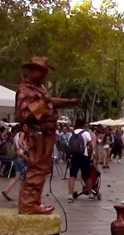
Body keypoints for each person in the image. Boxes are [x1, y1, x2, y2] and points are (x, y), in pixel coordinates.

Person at [16, 57, 77, 214]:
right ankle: (29, 204)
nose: (44, 75)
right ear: (30, 71)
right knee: (36, 169)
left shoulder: (39, 89)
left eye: (45, 72)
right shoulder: (25, 90)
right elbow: (24, 115)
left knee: (41, 170)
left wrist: (67, 101)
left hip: (45, 136)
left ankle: (33, 202)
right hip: (38, 136)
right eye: (41, 71)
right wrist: (44, 102)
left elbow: (50, 101)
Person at [67, 119, 94, 203]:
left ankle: (70, 195)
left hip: (74, 156)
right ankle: (90, 194)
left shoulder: (71, 134)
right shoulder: (86, 133)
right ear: (83, 125)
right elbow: (91, 146)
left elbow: (68, 146)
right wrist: (89, 156)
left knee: (72, 176)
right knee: (87, 176)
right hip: (84, 156)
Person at [1, 123, 29, 201]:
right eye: (24, 126)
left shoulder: (17, 134)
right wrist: (26, 149)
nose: (26, 127)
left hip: (16, 157)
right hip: (21, 156)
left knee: (17, 176)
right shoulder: (23, 134)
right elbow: (20, 143)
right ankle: (20, 199)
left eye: (26, 126)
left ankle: (6, 190)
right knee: (24, 179)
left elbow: (16, 143)